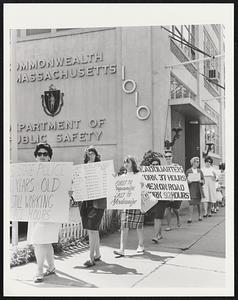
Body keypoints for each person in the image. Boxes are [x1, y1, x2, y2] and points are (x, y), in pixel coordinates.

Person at [27, 143, 60, 283]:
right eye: (39, 154)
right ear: (35, 157)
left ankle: (39, 271)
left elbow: (64, 188)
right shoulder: (30, 172)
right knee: (44, 242)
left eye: (45, 154)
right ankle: (51, 267)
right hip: (35, 211)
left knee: (39, 240)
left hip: (51, 212)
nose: (42, 156)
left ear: (49, 157)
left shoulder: (57, 171)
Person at [79, 146, 107, 267]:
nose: (91, 156)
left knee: (92, 230)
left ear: (96, 155)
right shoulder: (83, 168)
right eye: (88, 154)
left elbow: (106, 182)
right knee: (92, 231)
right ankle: (98, 254)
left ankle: (91, 258)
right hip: (86, 203)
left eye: (93, 154)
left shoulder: (101, 168)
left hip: (98, 203)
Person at [113, 155, 145, 256]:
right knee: (124, 226)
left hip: (137, 203)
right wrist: (115, 180)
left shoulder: (139, 175)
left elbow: (144, 186)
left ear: (132, 164)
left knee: (138, 226)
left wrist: (141, 186)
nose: (126, 164)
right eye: (124, 162)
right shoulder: (122, 176)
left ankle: (141, 245)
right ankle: (122, 249)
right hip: (126, 204)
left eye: (128, 162)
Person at [140, 150, 167, 243]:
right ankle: (159, 234)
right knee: (157, 216)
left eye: (157, 164)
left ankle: (156, 236)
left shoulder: (164, 175)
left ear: (160, 165)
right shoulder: (147, 175)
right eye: (153, 164)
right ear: (150, 165)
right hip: (152, 199)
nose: (155, 166)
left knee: (158, 217)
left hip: (161, 198)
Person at [164, 151, 182, 231]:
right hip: (166, 190)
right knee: (168, 208)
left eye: (169, 156)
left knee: (175, 209)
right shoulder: (163, 168)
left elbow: (181, 177)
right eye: (166, 157)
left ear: (172, 157)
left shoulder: (176, 166)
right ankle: (168, 225)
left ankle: (178, 218)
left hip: (175, 189)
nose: (168, 158)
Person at [186, 157, 205, 223]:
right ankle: (190, 218)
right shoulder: (188, 171)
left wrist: (201, 181)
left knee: (198, 203)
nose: (197, 163)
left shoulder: (200, 171)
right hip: (191, 188)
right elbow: (186, 180)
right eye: (196, 161)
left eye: (198, 161)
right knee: (191, 203)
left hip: (198, 188)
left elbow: (203, 180)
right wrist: (188, 181)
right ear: (193, 162)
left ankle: (200, 216)